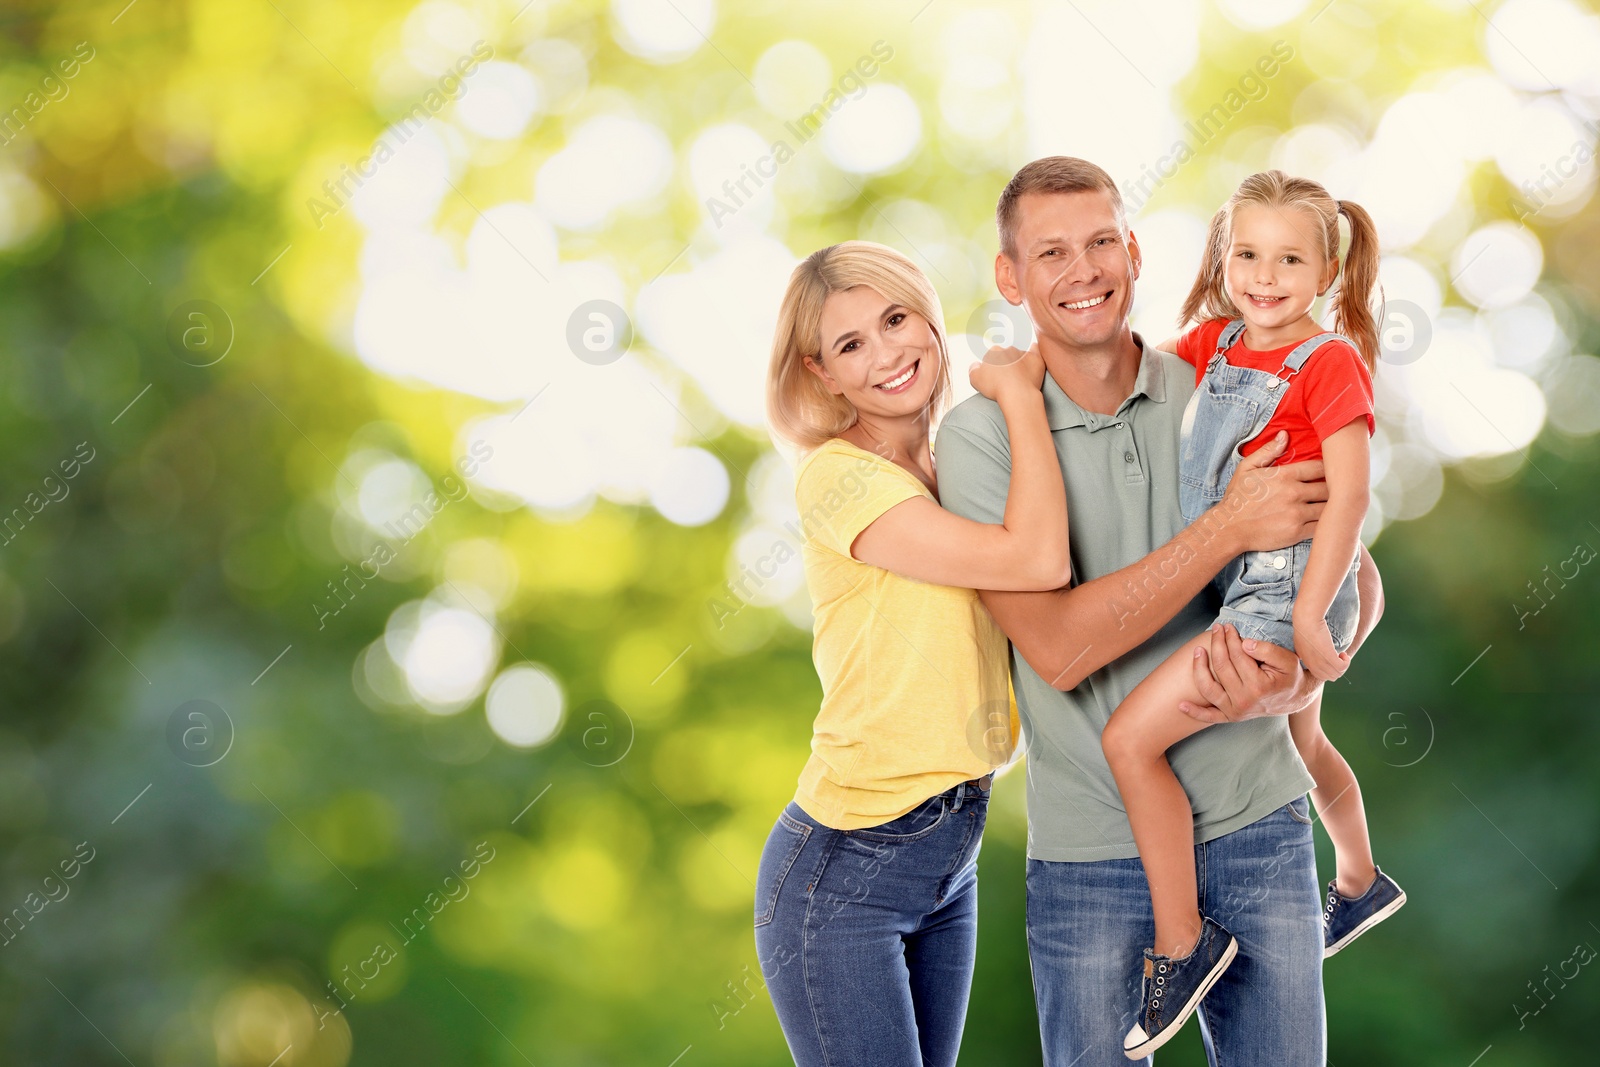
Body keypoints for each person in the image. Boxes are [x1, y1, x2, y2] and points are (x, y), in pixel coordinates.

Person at [935, 157, 1386, 1067]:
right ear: (1010, 277)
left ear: (1136, 253)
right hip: (1090, 857)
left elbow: (1350, 565)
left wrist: (1299, 675)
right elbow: (1059, 649)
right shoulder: (982, 434)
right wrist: (1224, 529)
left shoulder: (1216, 383)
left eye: (1103, 241)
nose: (1084, 269)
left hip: (1258, 825)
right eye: (1051, 252)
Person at [1099, 170, 1406, 1058]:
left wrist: (1313, 617)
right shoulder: (1218, 346)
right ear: (1223, 256)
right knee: (1303, 746)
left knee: (1129, 740)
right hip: (1246, 582)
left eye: (1288, 260)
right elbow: (1134, 374)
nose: (1264, 277)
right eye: (1246, 254)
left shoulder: (1330, 361)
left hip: (1291, 585)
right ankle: (1357, 878)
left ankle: (1182, 945)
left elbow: (1347, 498)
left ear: (1327, 271)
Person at [754, 240, 1072, 1067]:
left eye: (896, 320)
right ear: (822, 374)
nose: (888, 352)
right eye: (851, 344)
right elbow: (1038, 559)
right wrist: (1021, 398)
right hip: (845, 865)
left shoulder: (962, 461)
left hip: (950, 847)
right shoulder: (837, 478)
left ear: (928, 319)